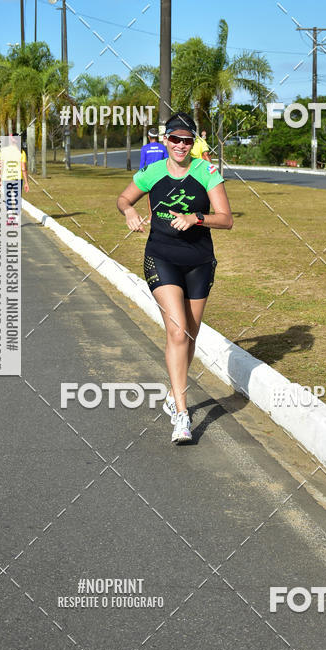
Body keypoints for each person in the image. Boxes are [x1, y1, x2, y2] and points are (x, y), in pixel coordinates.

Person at [117, 112, 233, 444]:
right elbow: (123, 198)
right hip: (161, 256)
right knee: (178, 331)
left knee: (190, 335)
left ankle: (173, 394)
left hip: (199, 262)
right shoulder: (152, 172)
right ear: (165, 140)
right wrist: (129, 211)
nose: (181, 145)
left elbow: (226, 219)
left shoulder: (207, 172)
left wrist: (196, 218)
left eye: (187, 140)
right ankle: (182, 414)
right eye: (175, 139)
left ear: (193, 143)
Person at [0, 134, 29, 202]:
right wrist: (26, 182)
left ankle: (8, 208)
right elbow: (23, 169)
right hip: (18, 178)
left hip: (7, 177)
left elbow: (0, 166)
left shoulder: (3, 151)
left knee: (8, 198)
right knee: (17, 198)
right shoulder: (22, 152)